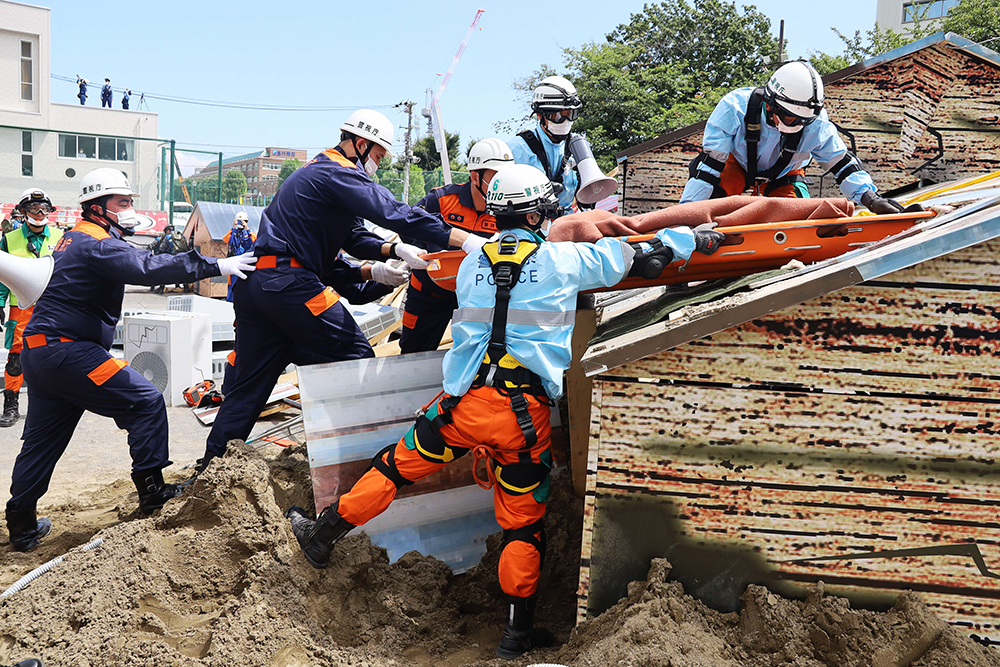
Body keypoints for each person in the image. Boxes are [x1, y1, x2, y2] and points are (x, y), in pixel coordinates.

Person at [284, 164, 726, 659]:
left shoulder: (472, 266)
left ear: (494, 215)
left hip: (463, 406)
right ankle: (516, 637)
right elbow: (641, 258)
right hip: (523, 417)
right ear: (540, 212)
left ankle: (324, 535)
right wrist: (693, 239)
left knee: (395, 467)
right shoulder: (564, 260)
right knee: (521, 524)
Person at [197, 108, 484, 471]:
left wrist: (390, 254)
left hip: (261, 288)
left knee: (251, 386)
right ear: (361, 145)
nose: (378, 165)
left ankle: (211, 471)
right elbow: (394, 212)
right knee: (354, 354)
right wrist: (466, 241)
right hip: (291, 285)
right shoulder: (338, 171)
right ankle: (357, 455)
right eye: (379, 156)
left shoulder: (315, 175)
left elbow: (353, 237)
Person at [4, 168, 256, 552]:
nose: (130, 208)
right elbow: (146, 267)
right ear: (97, 207)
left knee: (42, 442)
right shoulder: (95, 242)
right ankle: (153, 490)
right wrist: (214, 265)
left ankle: (21, 525)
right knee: (146, 400)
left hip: (42, 352)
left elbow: (138, 258)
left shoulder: (73, 239)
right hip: (72, 352)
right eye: (123, 202)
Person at [681, 60, 905, 214]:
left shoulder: (816, 124)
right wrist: (688, 215)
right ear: (771, 106)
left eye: (803, 120)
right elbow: (708, 170)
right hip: (734, 165)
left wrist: (870, 199)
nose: (798, 125)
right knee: (711, 208)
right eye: (791, 118)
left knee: (798, 216)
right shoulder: (734, 109)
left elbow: (842, 164)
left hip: (785, 173)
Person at [398, 138, 514, 353]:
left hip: (477, 299)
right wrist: (423, 251)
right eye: (495, 177)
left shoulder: (508, 210)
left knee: (479, 356)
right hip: (428, 294)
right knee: (414, 352)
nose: (501, 184)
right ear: (474, 176)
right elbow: (407, 226)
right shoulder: (441, 200)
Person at [0, 189, 63, 428]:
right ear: (23, 211)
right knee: (16, 358)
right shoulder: (9, 238)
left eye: (44, 208)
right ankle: (11, 406)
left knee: (55, 353)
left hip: (54, 306)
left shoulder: (61, 237)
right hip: (21, 307)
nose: (39, 213)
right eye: (33, 208)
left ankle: (56, 405)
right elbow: (1, 274)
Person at [509, 76, 583, 214]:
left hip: (566, 225)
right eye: (558, 116)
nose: (565, 121)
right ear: (539, 115)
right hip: (528, 227)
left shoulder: (578, 147)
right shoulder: (517, 149)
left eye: (570, 114)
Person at [223, 212, 256, 302]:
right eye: (240, 221)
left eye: (244, 221)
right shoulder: (233, 233)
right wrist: (233, 228)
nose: (242, 223)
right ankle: (230, 301)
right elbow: (226, 239)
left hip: (245, 263)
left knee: (246, 284)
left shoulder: (249, 234)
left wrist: (247, 229)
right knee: (232, 284)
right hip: (234, 263)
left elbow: (255, 241)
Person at [148, 224, 190, 294]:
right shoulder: (180, 235)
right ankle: (185, 288)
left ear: (167, 230)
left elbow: (161, 248)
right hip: (182, 257)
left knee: (163, 272)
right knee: (181, 272)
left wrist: (157, 254)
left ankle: (161, 288)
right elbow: (187, 247)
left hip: (171, 258)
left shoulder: (167, 236)